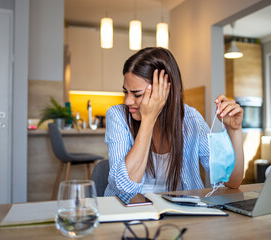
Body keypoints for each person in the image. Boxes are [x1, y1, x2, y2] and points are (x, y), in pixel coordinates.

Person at [103, 47, 244, 196]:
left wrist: (234, 131)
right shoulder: (117, 116)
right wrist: (149, 119)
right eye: (126, 91)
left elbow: (231, 182)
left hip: (180, 214)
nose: (128, 101)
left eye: (137, 94)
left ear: (165, 91)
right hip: (131, 213)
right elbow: (125, 187)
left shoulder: (191, 119)